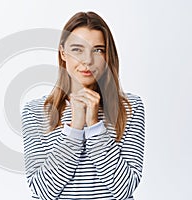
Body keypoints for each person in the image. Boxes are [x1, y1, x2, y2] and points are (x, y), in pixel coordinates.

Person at [21, 11, 145, 200]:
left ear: (107, 55)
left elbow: (124, 190)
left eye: (97, 50)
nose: (87, 60)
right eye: (77, 49)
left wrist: (95, 126)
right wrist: (75, 128)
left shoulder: (130, 108)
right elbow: (43, 191)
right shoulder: (35, 112)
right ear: (63, 53)